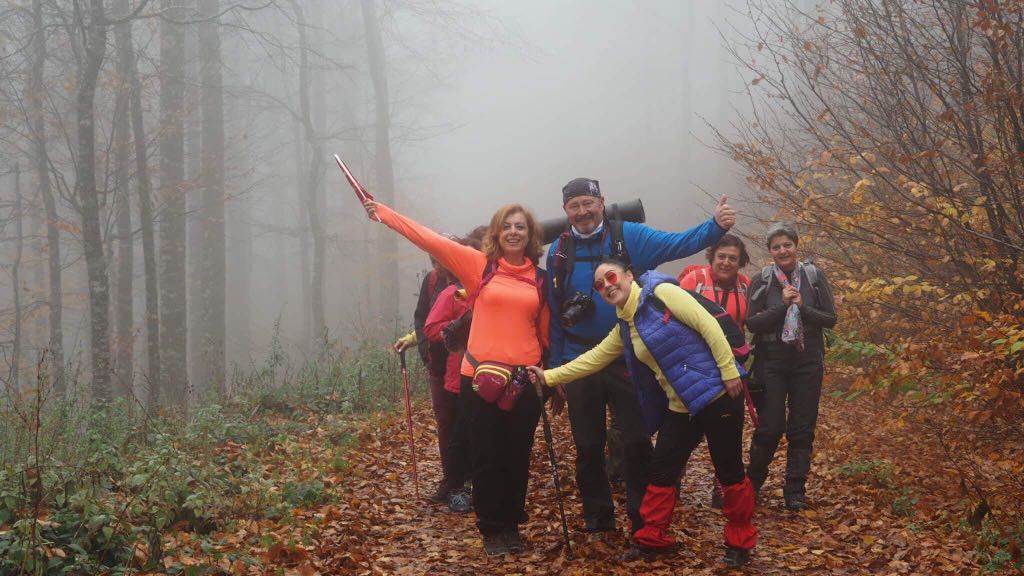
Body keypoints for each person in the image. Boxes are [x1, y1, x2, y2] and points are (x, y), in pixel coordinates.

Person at [528, 259, 757, 568]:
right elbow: (593, 359)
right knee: (661, 471)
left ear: (628, 276)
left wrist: (729, 370)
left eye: (611, 277)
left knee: (729, 471)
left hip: (718, 394)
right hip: (682, 406)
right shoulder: (625, 325)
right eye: (600, 285)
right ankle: (652, 538)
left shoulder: (661, 293)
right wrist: (550, 376)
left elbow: (707, 323)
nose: (608, 285)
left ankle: (739, 544)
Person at [546, 177, 735, 536]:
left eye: (588, 203)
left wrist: (715, 227)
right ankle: (599, 521)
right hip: (580, 355)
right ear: (565, 211)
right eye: (575, 206)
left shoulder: (628, 236)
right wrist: (557, 369)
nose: (583, 211)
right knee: (588, 448)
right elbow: (555, 314)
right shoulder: (558, 250)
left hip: (629, 356)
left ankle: (643, 519)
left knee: (635, 442)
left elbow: (679, 243)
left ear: (602, 202)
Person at [364, 199, 549, 557]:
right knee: (486, 454)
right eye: (507, 226)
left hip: (524, 381)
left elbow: (544, 333)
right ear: (497, 233)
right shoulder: (479, 266)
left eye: (521, 227)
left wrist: (552, 379)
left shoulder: (540, 279)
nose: (514, 232)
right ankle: (492, 529)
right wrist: (384, 214)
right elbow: (431, 241)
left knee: (517, 455)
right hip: (478, 378)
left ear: (531, 235)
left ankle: (512, 524)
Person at [745, 223, 837, 512]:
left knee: (802, 428)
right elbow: (752, 323)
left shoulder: (812, 276)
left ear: (796, 246)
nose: (783, 250)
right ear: (770, 251)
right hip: (771, 359)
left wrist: (802, 307)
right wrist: (782, 306)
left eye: (787, 244)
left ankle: (794, 491)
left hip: (807, 357)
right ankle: (751, 486)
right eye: (776, 246)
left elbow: (830, 318)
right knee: (770, 427)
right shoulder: (761, 280)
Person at [678, 234, 752, 508]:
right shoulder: (694, 281)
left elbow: (750, 322)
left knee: (728, 431)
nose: (726, 262)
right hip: (694, 366)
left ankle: (723, 486)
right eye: (721, 256)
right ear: (712, 256)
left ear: (740, 261)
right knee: (685, 427)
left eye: (733, 258)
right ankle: (674, 476)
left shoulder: (746, 286)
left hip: (732, 368)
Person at [421, 229, 487, 514]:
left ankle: (479, 484)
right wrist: (461, 325)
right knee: (459, 433)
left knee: (483, 434)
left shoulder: (495, 287)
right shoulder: (451, 292)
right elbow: (430, 328)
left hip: (494, 374)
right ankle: (457, 486)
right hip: (458, 375)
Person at [393, 257, 453, 503]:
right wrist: (422, 348)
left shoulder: (467, 276)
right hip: (438, 365)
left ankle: (468, 480)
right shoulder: (431, 282)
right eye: (433, 260)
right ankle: (451, 480)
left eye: (441, 259)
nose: (437, 265)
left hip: (469, 363)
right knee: (446, 423)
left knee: (469, 423)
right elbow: (423, 320)